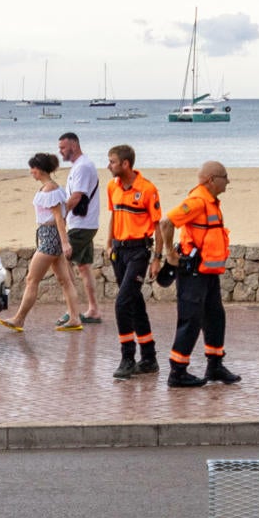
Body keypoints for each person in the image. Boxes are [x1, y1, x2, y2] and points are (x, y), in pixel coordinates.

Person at [155, 160, 238, 388]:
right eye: (224, 177)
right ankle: (177, 372)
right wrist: (169, 253)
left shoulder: (210, 202)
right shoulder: (197, 202)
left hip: (208, 271)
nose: (228, 181)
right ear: (211, 180)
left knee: (215, 317)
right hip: (193, 272)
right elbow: (166, 222)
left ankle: (215, 365)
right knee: (191, 319)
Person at [0, 152, 84, 333]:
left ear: (40, 170)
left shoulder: (50, 190)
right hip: (50, 236)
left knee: (32, 279)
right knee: (65, 280)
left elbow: (59, 218)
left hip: (50, 238)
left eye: (33, 169)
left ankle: (19, 319)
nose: (31, 172)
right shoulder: (52, 188)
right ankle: (74, 318)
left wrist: (65, 243)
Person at [102, 145, 161, 379]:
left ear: (125, 164)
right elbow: (114, 215)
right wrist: (109, 244)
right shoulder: (112, 187)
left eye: (112, 162)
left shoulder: (147, 189)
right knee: (135, 304)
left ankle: (127, 357)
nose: (108, 166)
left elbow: (158, 226)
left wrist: (157, 258)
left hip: (139, 252)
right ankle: (149, 358)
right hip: (119, 251)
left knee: (122, 303)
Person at [56, 131, 102, 325]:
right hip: (85, 223)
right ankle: (93, 309)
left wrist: (60, 216)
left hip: (82, 225)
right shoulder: (81, 165)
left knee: (62, 261)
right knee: (83, 267)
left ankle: (72, 311)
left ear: (74, 145)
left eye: (63, 148)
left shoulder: (82, 166)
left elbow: (76, 197)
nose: (60, 152)